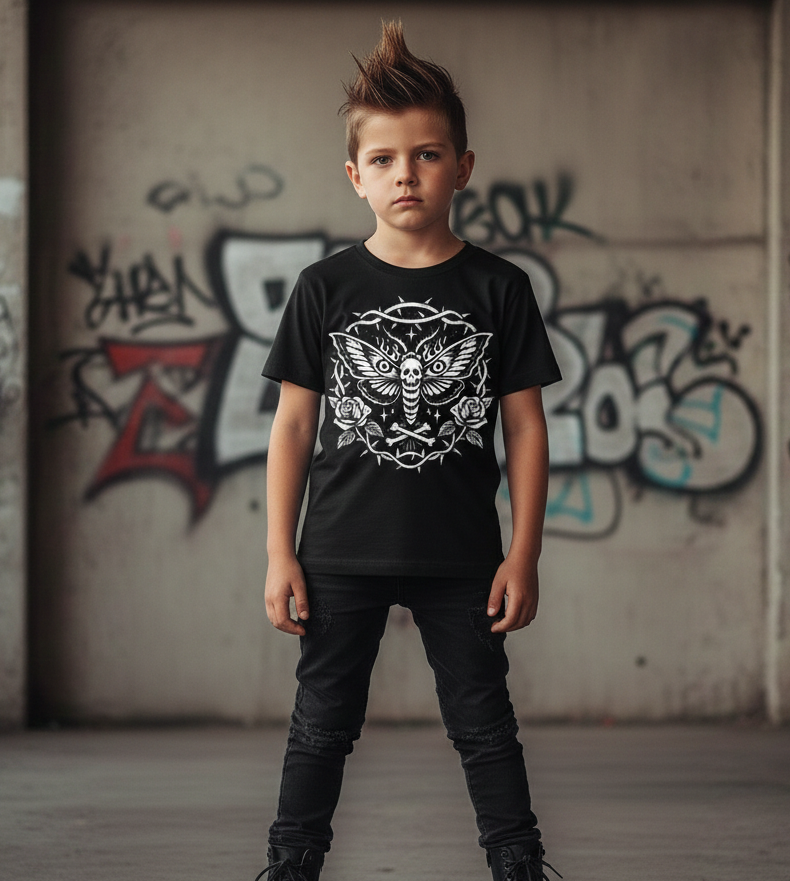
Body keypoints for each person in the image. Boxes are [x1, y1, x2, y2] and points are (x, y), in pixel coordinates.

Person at [257, 21, 563, 881]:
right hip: (337, 551)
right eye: (385, 159)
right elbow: (292, 426)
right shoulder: (324, 287)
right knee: (320, 724)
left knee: (484, 725)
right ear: (355, 175)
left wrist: (523, 553)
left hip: (462, 555)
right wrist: (280, 550)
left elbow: (525, 427)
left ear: (461, 167)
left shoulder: (499, 287)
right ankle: (289, 864)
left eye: (426, 155)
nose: (406, 174)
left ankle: (517, 863)